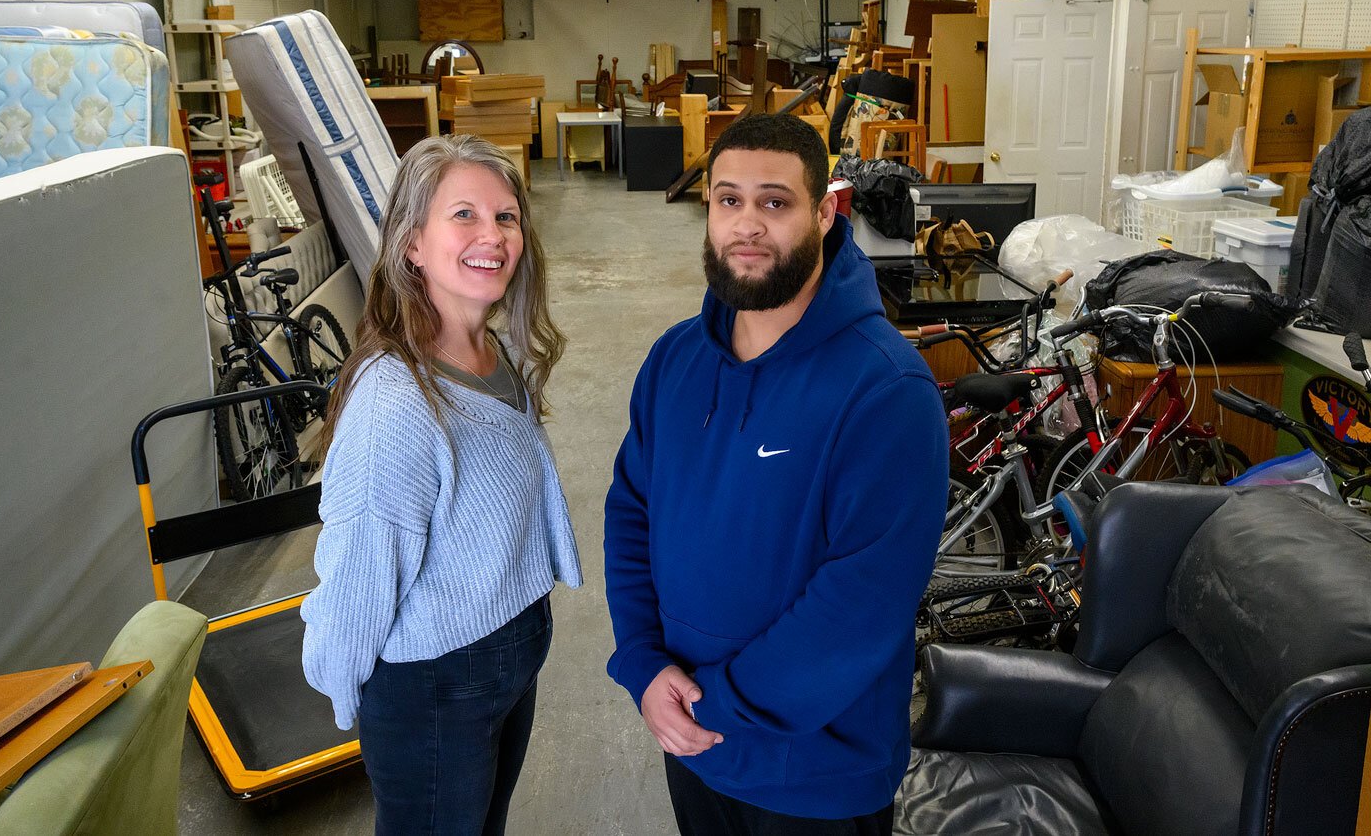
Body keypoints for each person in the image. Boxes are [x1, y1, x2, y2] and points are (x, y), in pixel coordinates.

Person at [604, 114, 948, 835]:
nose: (747, 225)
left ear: (825, 212)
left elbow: (862, 603)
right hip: (694, 748)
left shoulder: (885, 390)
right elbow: (631, 510)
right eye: (729, 200)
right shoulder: (674, 361)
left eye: (775, 202)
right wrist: (643, 663)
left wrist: (714, 705)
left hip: (815, 778)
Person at [302, 134, 582, 836]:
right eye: (464, 215)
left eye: (506, 217)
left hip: (504, 654)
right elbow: (361, 569)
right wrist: (342, 688)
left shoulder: (492, 349)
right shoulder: (395, 403)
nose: (493, 235)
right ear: (412, 244)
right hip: (434, 683)